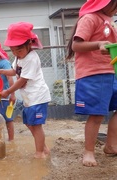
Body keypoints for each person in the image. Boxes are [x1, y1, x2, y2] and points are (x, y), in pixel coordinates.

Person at [66, 0, 117, 167]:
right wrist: (99, 44)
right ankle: (88, 152)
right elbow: (76, 45)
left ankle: (111, 145)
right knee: (97, 114)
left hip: (111, 71)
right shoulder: (90, 18)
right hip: (94, 73)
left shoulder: (109, 20)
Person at [0, 22, 51, 158]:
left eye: (18, 50)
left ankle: (39, 153)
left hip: (37, 97)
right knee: (29, 124)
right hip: (29, 99)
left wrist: (7, 92)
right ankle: (44, 148)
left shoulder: (31, 58)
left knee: (36, 126)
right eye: (12, 51)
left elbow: (22, 80)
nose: (16, 53)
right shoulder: (19, 57)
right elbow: (14, 71)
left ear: (29, 44)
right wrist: (1, 71)